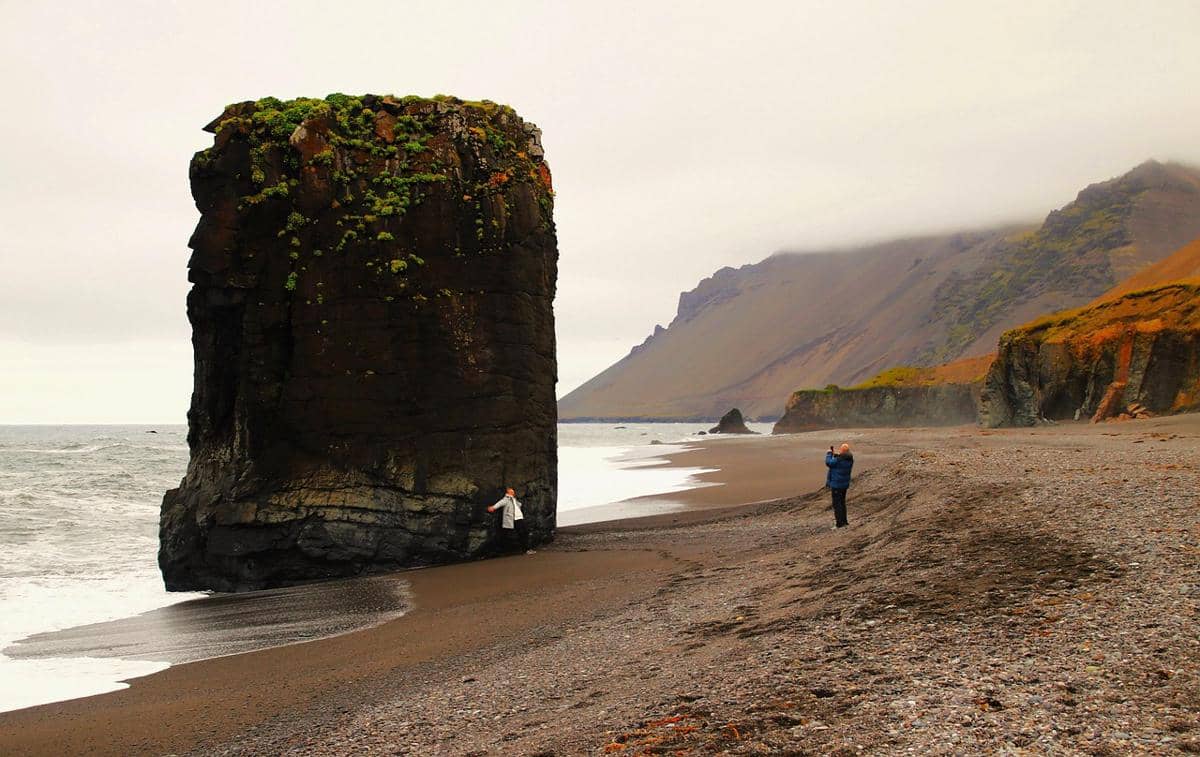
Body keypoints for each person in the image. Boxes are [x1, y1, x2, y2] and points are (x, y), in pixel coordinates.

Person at [488, 487, 534, 555]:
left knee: (523, 533)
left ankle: (526, 549)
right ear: (508, 492)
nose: (513, 492)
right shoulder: (506, 499)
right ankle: (526, 549)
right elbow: (500, 503)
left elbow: (519, 505)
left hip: (520, 518)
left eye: (513, 491)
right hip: (514, 519)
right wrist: (493, 507)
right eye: (511, 491)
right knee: (521, 533)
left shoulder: (514, 499)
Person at [825, 443, 854, 528]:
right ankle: (844, 522)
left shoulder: (839, 459)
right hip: (844, 485)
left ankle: (839, 524)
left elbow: (829, 463)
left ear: (842, 451)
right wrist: (836, 455)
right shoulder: (850, 459)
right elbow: (839, 460)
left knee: (837, 504)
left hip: (837, 485)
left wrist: (829, 454)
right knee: (842, 503)